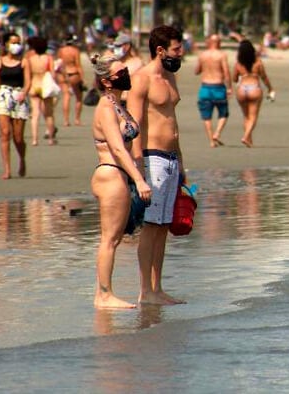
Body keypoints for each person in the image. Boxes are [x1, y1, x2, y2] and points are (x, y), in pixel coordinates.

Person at [127, 25, 187, 305]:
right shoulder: (141, 79)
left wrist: (182, 162)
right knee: (151, 226)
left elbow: (173, 123)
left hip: (172, 158)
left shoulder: (171, 76)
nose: (181, 53)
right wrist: (137, 168)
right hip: (152, 158)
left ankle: (157, 287)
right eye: (177, 49)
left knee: (164, 226)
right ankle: (145, 291)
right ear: (160, 50)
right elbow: (134, 125)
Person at [90, 53, 151, 309]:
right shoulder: (105, 106)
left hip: (120, 176)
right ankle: (104, 295)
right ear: (106, 81)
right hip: (110, 173)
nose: (126, 75)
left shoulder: (118, 104)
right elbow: (117, 147)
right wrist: (139, 180)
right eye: (120, 72)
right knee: (110, 238)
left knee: (115, 238)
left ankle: (104, 292)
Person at [0, 32, 31, 179]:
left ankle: (22, 159)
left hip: (19, 95)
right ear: (6, 44)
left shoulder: (24, 62)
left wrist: (24, 93)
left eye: (18, 42)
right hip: (2, 96)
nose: (16, 45)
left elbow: (28, 81)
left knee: (18, 137)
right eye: (13, 42)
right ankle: (7, 169)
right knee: (5, 134)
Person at [234, 40, 274, 148]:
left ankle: (249, 140)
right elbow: (264, 77)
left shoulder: (238, 63)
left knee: (246, 116)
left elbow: (234, 78)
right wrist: (270, 88)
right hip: (254, 88)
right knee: (253, 116)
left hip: (242, 88)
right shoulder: (258, 62)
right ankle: (246, 136)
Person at [195, 34, 232, 148]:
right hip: (218, 87)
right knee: (223, 113)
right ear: (218, 42)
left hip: (205, 87)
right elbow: (226, 72)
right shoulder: (221, 55)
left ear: (209, 42)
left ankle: (211, 140)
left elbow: (197, 71)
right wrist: (229, 87)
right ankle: (217, 133)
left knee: (207, 116)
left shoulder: (203, 55)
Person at [26, 36, 57, 146]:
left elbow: (28, 75)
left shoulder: (30, 59)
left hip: (34, 85)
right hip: (45, 86)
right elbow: (53, 74)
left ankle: (35, 139)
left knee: (35, 114)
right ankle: (51, 139)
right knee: (48, 114)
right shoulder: (49, 58)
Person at [57, 35, 85, 127]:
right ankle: (77, 119)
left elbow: (59, 64)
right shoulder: (75, 51)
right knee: (79, 97)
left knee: (66, 96)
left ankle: (66, 120)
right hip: (74, 73)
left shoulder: (61, 50)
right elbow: (78, 65)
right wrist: (82, 78)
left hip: (64, 74)